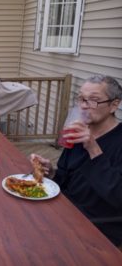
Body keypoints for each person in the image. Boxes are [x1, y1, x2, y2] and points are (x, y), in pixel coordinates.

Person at [31, 75, 122, 247]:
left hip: (100, 228)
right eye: (81, 99)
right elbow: (65, 179)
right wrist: (51, 172)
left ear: (114, 105)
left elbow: (118, 196)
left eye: (93, 100)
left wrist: (93, 149)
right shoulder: (78, 133)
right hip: (65, 212)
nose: (83, 106)